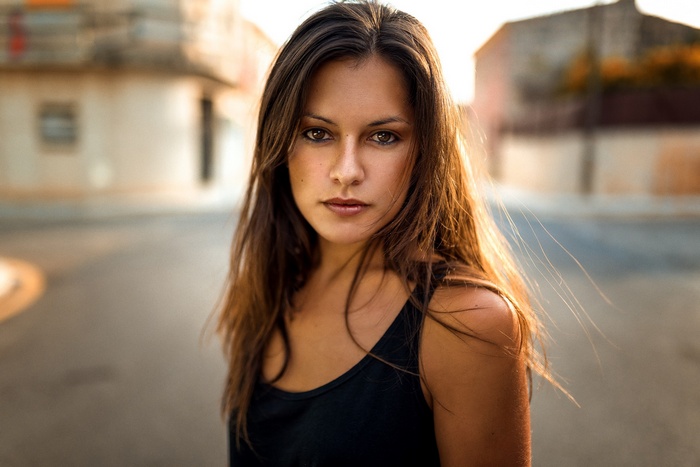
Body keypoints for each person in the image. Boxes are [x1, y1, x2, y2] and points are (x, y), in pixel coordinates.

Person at [218, 1, 550, 465]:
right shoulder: (271, 287)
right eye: (317, 133)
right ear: (279, 143)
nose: (346, 171)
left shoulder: (468, 324)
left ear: (424, 151)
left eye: (383, 136)